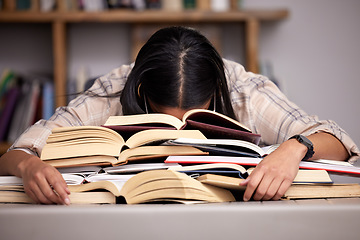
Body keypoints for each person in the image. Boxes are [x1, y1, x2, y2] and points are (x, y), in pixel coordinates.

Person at [0, 26, 359, 205]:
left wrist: (293, 149)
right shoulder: (116, 87)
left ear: (216, 92)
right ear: (142, 94)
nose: (181, 130)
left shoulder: (242, 88)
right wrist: (28, 165)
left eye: (195, 117)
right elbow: (18, 150)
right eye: (167, 117)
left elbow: (339, 141)